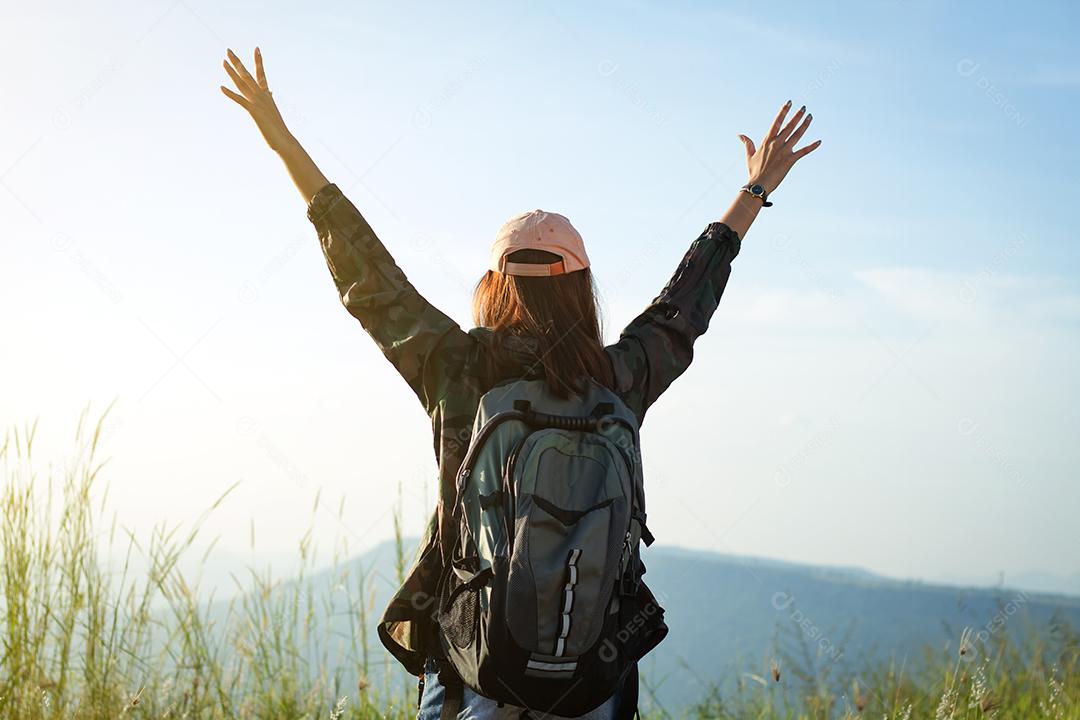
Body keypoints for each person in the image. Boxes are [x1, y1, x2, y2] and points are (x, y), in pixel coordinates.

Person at [221, 47, 820, 720]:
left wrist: (284, 144)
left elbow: (371, 281)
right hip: (591, 669)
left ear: (495, 285)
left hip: (473, 659)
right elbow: (684, 309)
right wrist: (752, 193)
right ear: (581, 289)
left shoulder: (457, 368)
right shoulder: (618, 378)